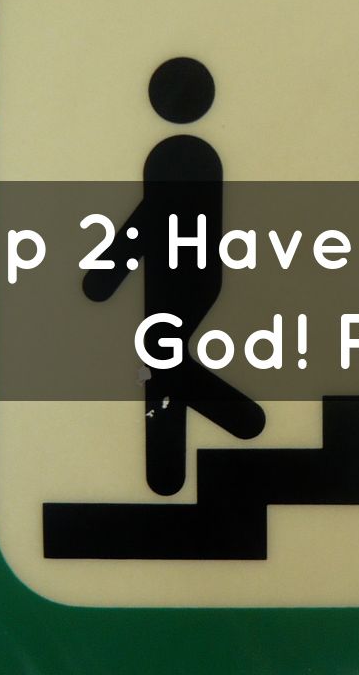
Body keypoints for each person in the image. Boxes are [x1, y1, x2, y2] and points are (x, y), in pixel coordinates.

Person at [83, 57, 265, 496]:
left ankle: (239, 420)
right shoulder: (204, 156)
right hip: (195, 278)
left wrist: (104, 276)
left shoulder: (170, 158)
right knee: (160, 352)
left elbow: (147, 219)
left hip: (180, 279)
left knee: (158, 350)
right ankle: (175, 468)